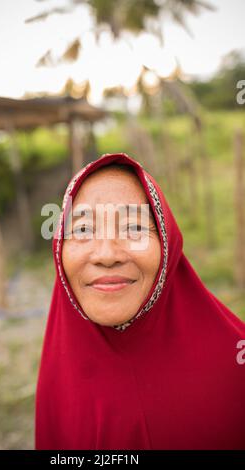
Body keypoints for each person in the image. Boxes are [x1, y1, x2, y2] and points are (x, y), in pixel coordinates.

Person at [35, 152, 245, 450]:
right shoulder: (59, 371)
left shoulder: (236, 370)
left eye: (134, 227)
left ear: (167, 243)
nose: (107, 255)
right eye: (83, 229)